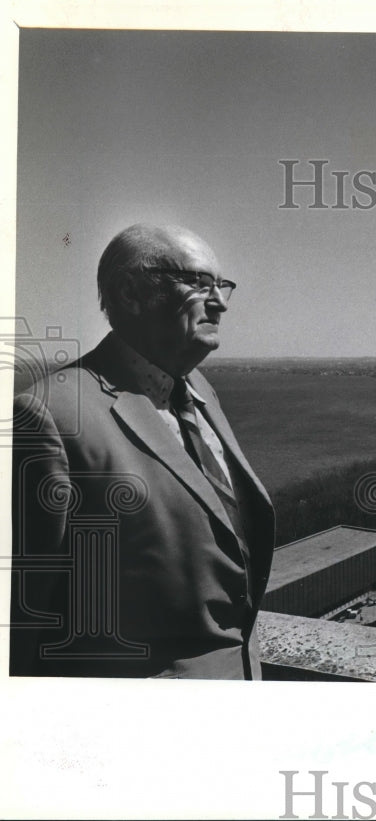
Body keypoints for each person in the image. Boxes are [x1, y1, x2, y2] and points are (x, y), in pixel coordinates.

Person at [9, 224, 275, 679]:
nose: (221, 302)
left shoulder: (199, 390)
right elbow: (24, 620)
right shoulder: (51, 415)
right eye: (198, 283)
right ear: (131, 292)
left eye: (222, 285)